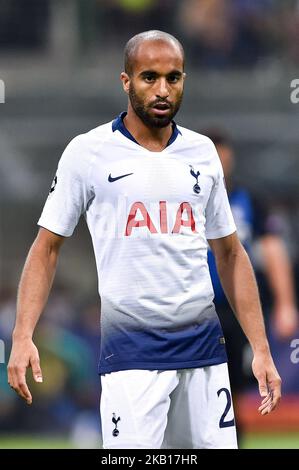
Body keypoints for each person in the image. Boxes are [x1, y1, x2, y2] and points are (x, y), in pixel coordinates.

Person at [7, 30, 281, 449]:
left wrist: (261, 348)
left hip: (205, 352)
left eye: (173, 78)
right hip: (131, 356)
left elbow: (229, 253)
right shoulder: (88, 152)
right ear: (125, 81)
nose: (162, 90)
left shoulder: (203, 152)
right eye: (149, 77)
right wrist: (24, 335)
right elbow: (46, 248)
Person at [205, 129, 298, 442]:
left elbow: (273, 250)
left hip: (238, 311)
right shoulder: (186, 199)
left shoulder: (248, 200)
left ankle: (230, 439)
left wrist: (286, 304)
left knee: (232, 384)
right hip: (197, 309)